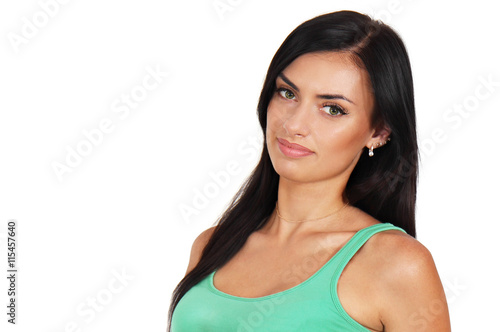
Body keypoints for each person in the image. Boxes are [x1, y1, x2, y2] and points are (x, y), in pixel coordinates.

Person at [168, 10, 451, 331]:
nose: (294, 124)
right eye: (287, 93)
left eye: (333, 109)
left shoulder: (396, 265)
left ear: (379, 131)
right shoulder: (212, 245)